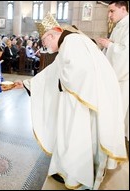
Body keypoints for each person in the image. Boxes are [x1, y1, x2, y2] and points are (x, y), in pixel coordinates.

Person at [22, 13, 128, 190]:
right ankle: (67, 170)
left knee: (75, 139)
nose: (44, 45)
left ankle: (76, 176)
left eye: (44, 40)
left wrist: (57, 85)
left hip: (79, 105)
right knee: (69, 139)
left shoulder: (72, 42)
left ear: (53, 33)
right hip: (78, 101)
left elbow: (76, 74)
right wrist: (27, 83)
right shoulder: (69, 42)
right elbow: (54, 72)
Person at [96, 1, 129, 142]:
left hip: (122, 80)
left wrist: (109, 44)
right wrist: (108, 43)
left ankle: (114, 147)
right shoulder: (119, 26)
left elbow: (125, 54)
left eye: (112, 11)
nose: (109, 15)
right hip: (115, 79)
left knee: (117, 115)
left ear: (123, 9)